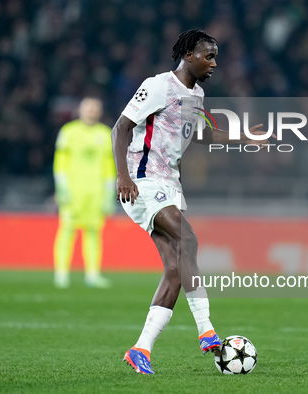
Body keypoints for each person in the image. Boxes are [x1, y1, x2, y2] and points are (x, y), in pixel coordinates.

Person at [112, 30, 270, 374]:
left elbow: (199, 134)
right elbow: (121, 128)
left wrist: (244, 136)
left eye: (215, 57)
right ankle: (206, 331)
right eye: (208, 56)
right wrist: (123, 177)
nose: (213, 63)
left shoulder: (196, 94)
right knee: (189, 240)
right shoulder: (157, 86)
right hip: (142, 181)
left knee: (174, 268)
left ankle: (141, 349)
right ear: (188, 55)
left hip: (169, 185)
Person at [53, 97, 116, 288]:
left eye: (95, 108)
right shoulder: (69, 132)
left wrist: (109, 193)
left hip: (95, 192)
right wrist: (61, 188)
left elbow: (109, 166)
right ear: (80, 110)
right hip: (73, 191)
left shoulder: (105, 134)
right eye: (88, 108)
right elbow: (60, 162)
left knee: (93, 232)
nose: (91, 111)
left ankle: (92, 274)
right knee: (67, 230)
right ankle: (61, 274)